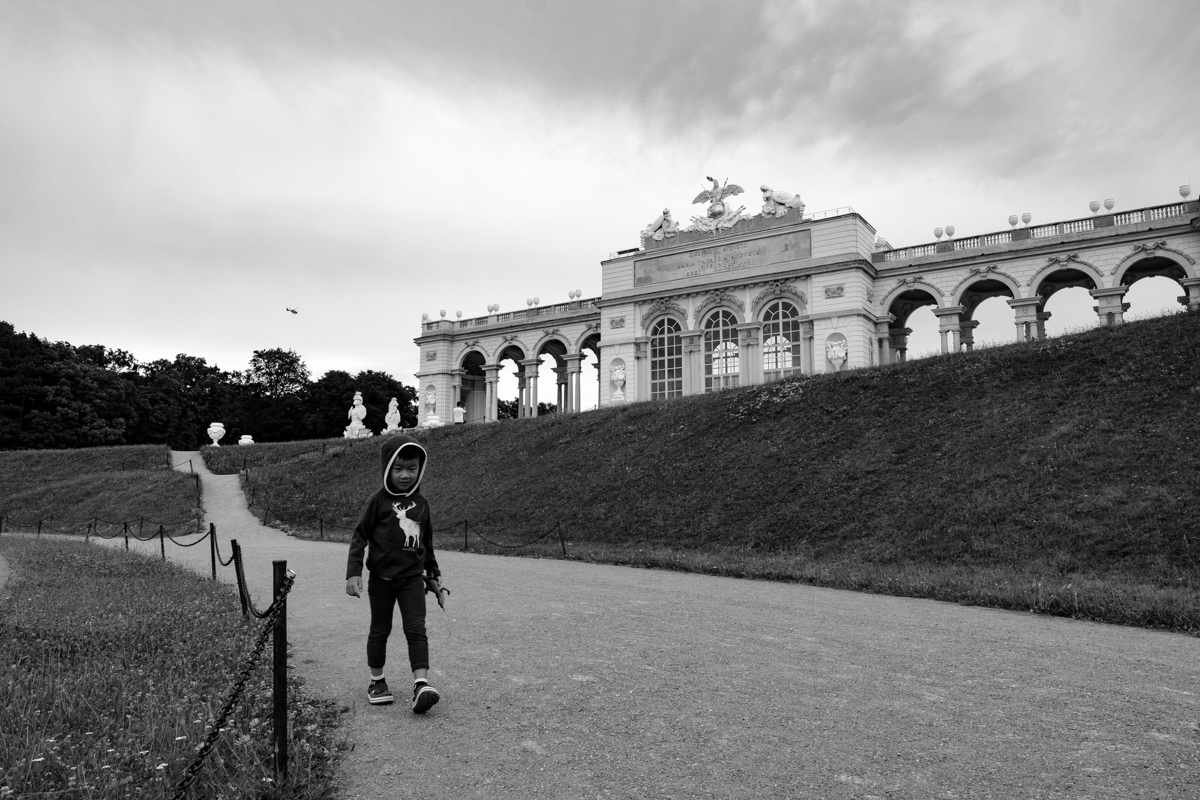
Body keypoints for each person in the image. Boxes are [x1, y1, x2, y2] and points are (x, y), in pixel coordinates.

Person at [346, 434, 448, 713]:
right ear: (387, 467)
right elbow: (359, 536)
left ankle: (421, 684)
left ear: (420, 469)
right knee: (380, 629)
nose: (405, 475)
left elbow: (426, 543)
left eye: (412, 468)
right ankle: (377, 681)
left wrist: (434, 573)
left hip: (412, 580)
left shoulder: (422, 504)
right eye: (398, 468)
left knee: (416, 629)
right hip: (381, 580)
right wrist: (354, 572)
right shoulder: (377, 501)